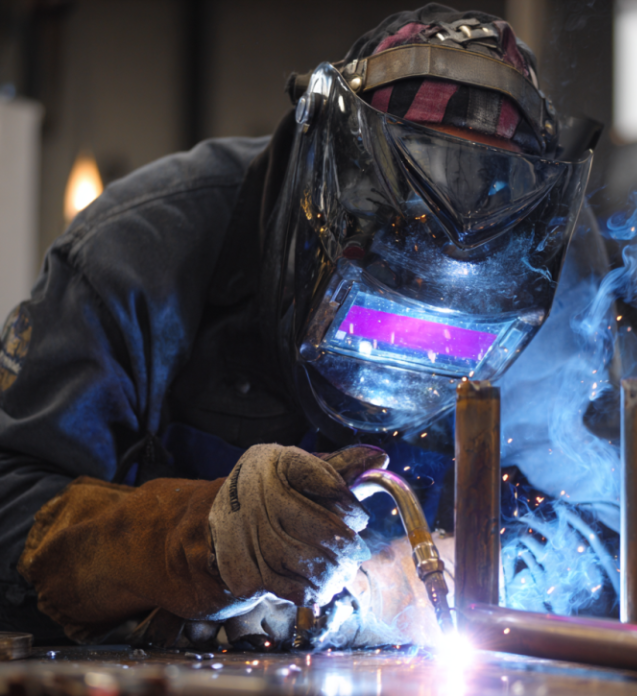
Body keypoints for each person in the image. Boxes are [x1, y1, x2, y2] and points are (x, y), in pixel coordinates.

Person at [0, 5, 606, 649]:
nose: (398, 364)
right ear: (322, 207)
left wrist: (392, 590)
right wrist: (194, 540)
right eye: (381, 311)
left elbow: (605, 537)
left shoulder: (549, 289)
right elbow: (10, 505)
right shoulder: (138, 257)